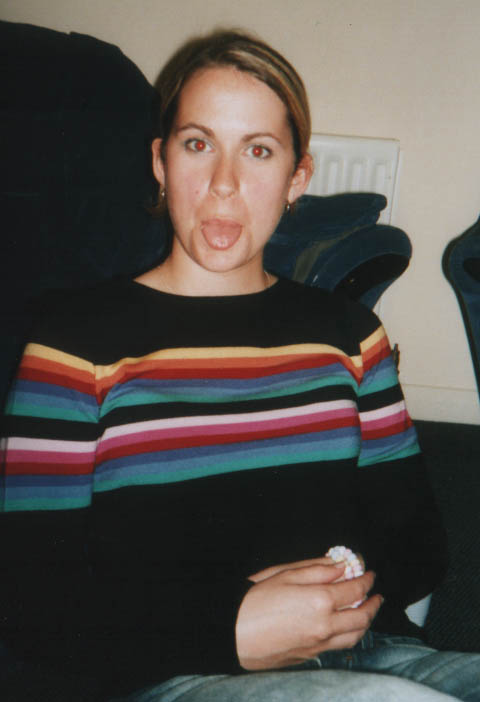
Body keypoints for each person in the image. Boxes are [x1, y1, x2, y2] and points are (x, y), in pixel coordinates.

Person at [1, 28, 479, 702]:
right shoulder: (74, 345)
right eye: (198, 144)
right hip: (176, 674)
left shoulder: (351, 336)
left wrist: (333, 590)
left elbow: (420, 547)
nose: (223, 185)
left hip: (376, 650)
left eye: (258, 151)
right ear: (161, 162)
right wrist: (226, 624)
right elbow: (29, 599)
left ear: (296, 178)